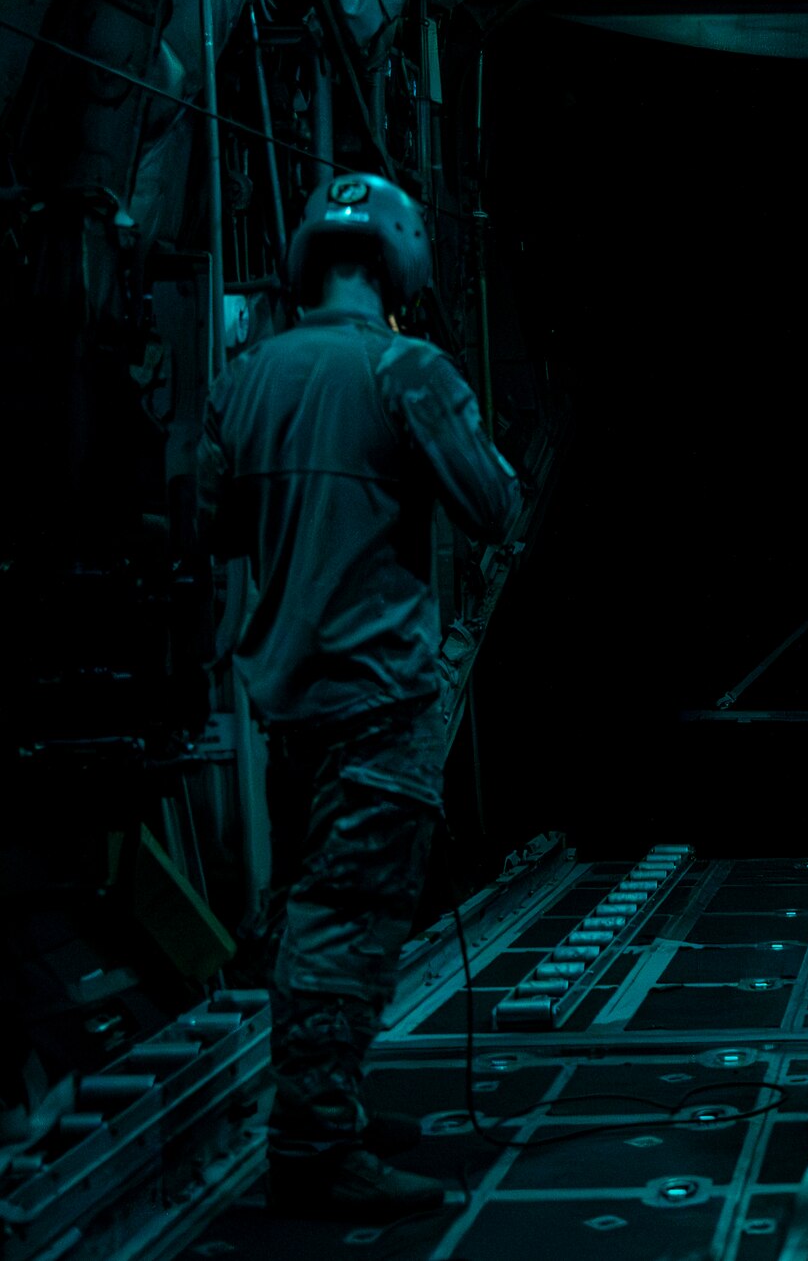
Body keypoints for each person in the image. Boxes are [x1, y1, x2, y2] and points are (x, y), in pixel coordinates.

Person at [198, 172, 523, 1218]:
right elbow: (492, 505)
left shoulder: (247, 374)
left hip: (286, 697)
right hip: (378, 695)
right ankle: (315, 1148)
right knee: (351, 921)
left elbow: (211, 522)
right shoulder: (403, 368)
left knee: (308, 909)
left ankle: (328, 1106)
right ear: (398, 257)